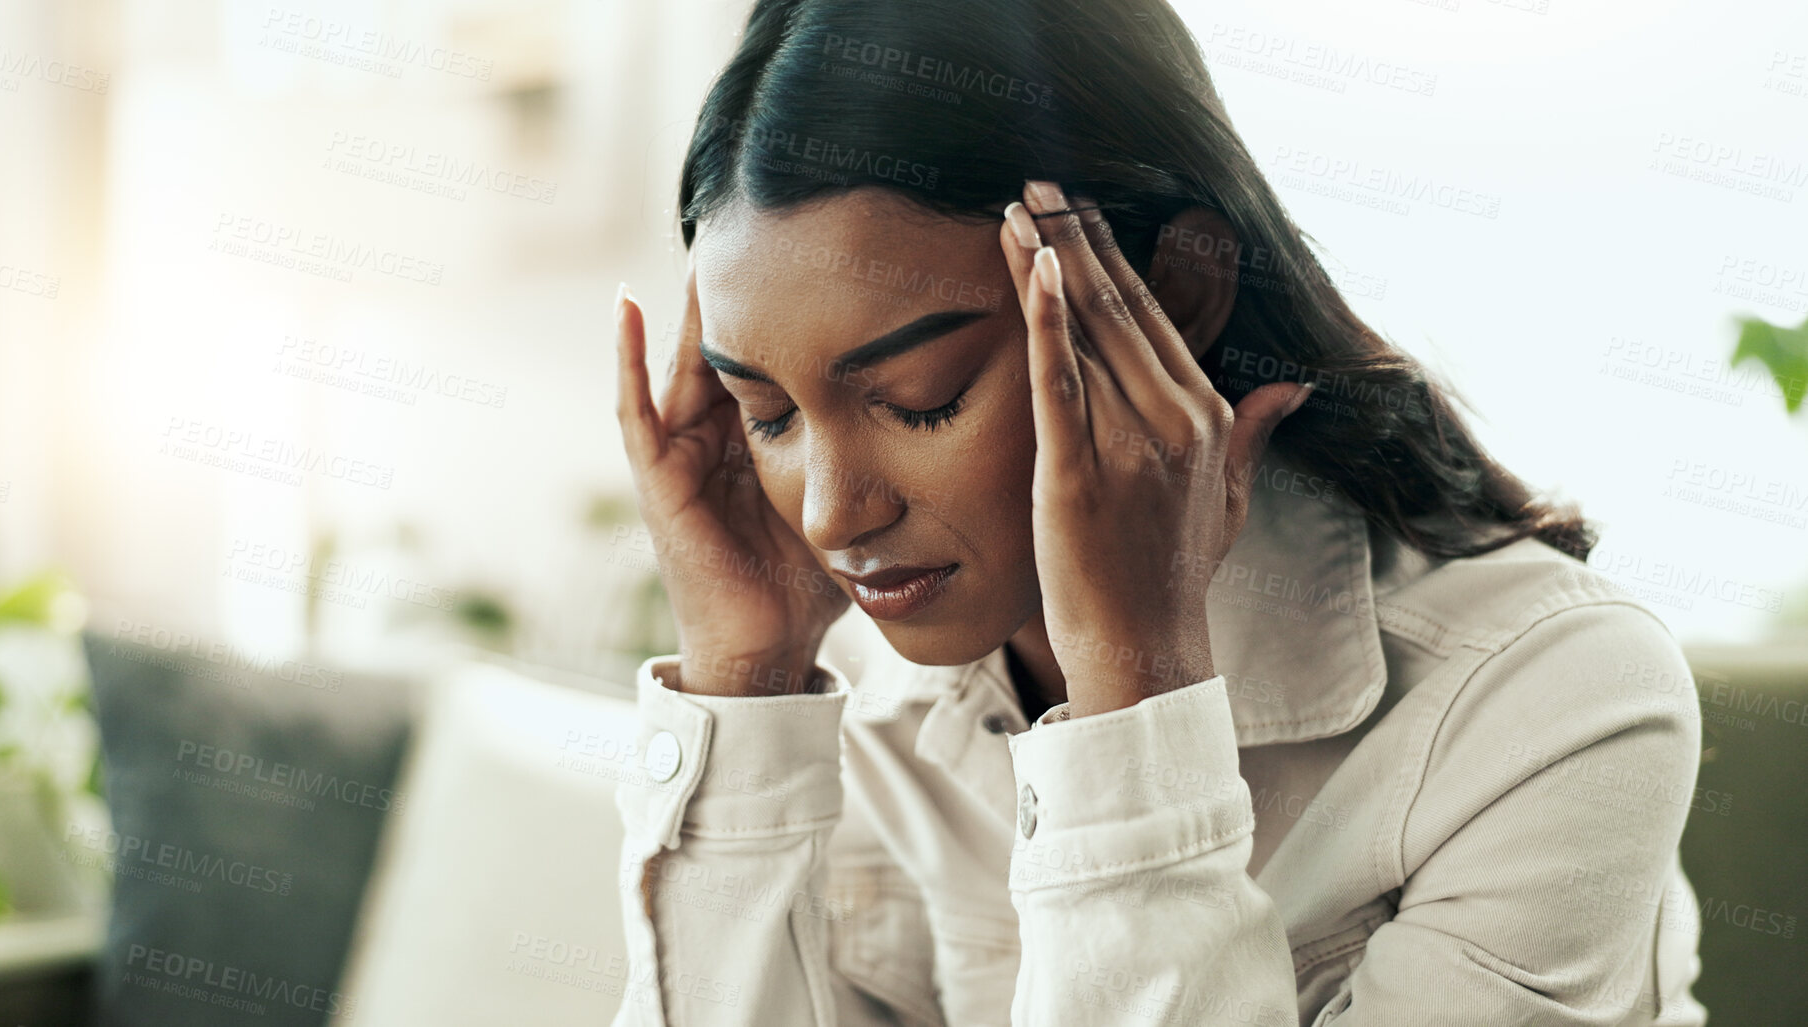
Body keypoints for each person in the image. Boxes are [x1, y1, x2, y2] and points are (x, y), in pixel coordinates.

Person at [607, 0, 1707, 1023]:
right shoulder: (880, 695)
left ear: (1175, 287)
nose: (836, 515)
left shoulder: (1552, 702)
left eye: (919, 399)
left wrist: (1136, 692)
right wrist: (744, 679)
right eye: (769, 413)